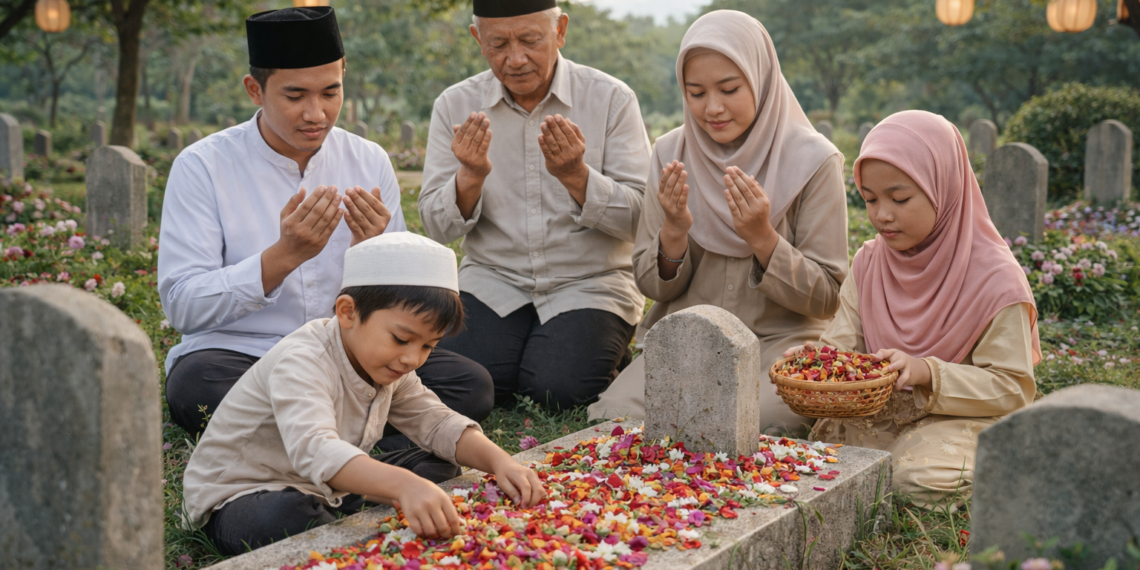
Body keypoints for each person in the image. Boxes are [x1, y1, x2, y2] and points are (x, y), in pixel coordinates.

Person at [158, 6, 492, 440]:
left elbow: (399, 304)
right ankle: (361, 438)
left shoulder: (367, 159)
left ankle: (314, 438)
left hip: (352, 354)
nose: (316, 113)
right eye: (295, 96)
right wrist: (283, 257)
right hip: (246, 355)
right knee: (196, 386)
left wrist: (374, 256)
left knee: (471, 386)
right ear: (254, 90)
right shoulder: (202, 166)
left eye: (330, 93)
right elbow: (184, 304)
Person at [183, 233, 546, 555]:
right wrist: (403, 485)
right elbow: (317, 449)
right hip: (247, 493)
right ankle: (354, 509)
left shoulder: (390, 365)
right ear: (347, 312)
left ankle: (351, 508)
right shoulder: (303, 360)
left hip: (324, 485)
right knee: (282, 517)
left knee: (439, 466)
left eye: (428, 347)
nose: (411, 358)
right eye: (402, 339)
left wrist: (502, 463)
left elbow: (434, 420)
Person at [587, 10, 848, 434]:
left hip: (778, 346)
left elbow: (827, 298)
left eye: (729, 89)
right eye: (696, 92)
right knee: (615, 417)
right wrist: (674, 230)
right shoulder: (672, 152)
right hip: (688, 340)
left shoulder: (814, 162)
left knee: (763, 422)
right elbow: (652, 287)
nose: (712, 108)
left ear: (761, 80)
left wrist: (763, 238)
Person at [790, 110, 1041, 506]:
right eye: (870, 199)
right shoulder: (870, 262)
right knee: (827, 456)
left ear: (943, 186)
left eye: (900, 197)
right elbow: (841, 345)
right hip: (886, 410)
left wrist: (926, 371)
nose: (881, 215)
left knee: (911, 478)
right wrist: (816, 362)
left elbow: (1012, 388)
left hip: (964, 416)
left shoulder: (996, 279)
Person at [418, 0, 652, 410]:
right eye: (498, 44)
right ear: (478, 39)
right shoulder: (455, 105)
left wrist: (576, 177)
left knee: (557, 390)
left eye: (530, 40)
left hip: (589, 281)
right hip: (494, 280)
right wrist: (469, 177)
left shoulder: (611, 99)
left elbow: (642, 218)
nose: (515, 58)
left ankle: (599, 350)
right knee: (460, 381)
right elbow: (437, 228)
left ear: (560, 30)